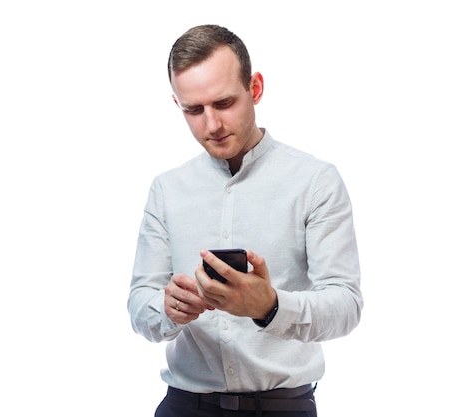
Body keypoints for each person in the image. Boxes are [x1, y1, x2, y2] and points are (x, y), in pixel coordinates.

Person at [128, 24, 363, 417]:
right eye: (193, 110)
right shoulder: (167, 189)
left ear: (254, 88)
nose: (212, 125)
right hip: (185, 406)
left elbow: (346, 304)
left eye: (223, 103)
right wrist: (167, 308)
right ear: (177, 105)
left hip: (281, 407)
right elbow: (139, 303)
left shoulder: (315, 181)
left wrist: (270, 306)